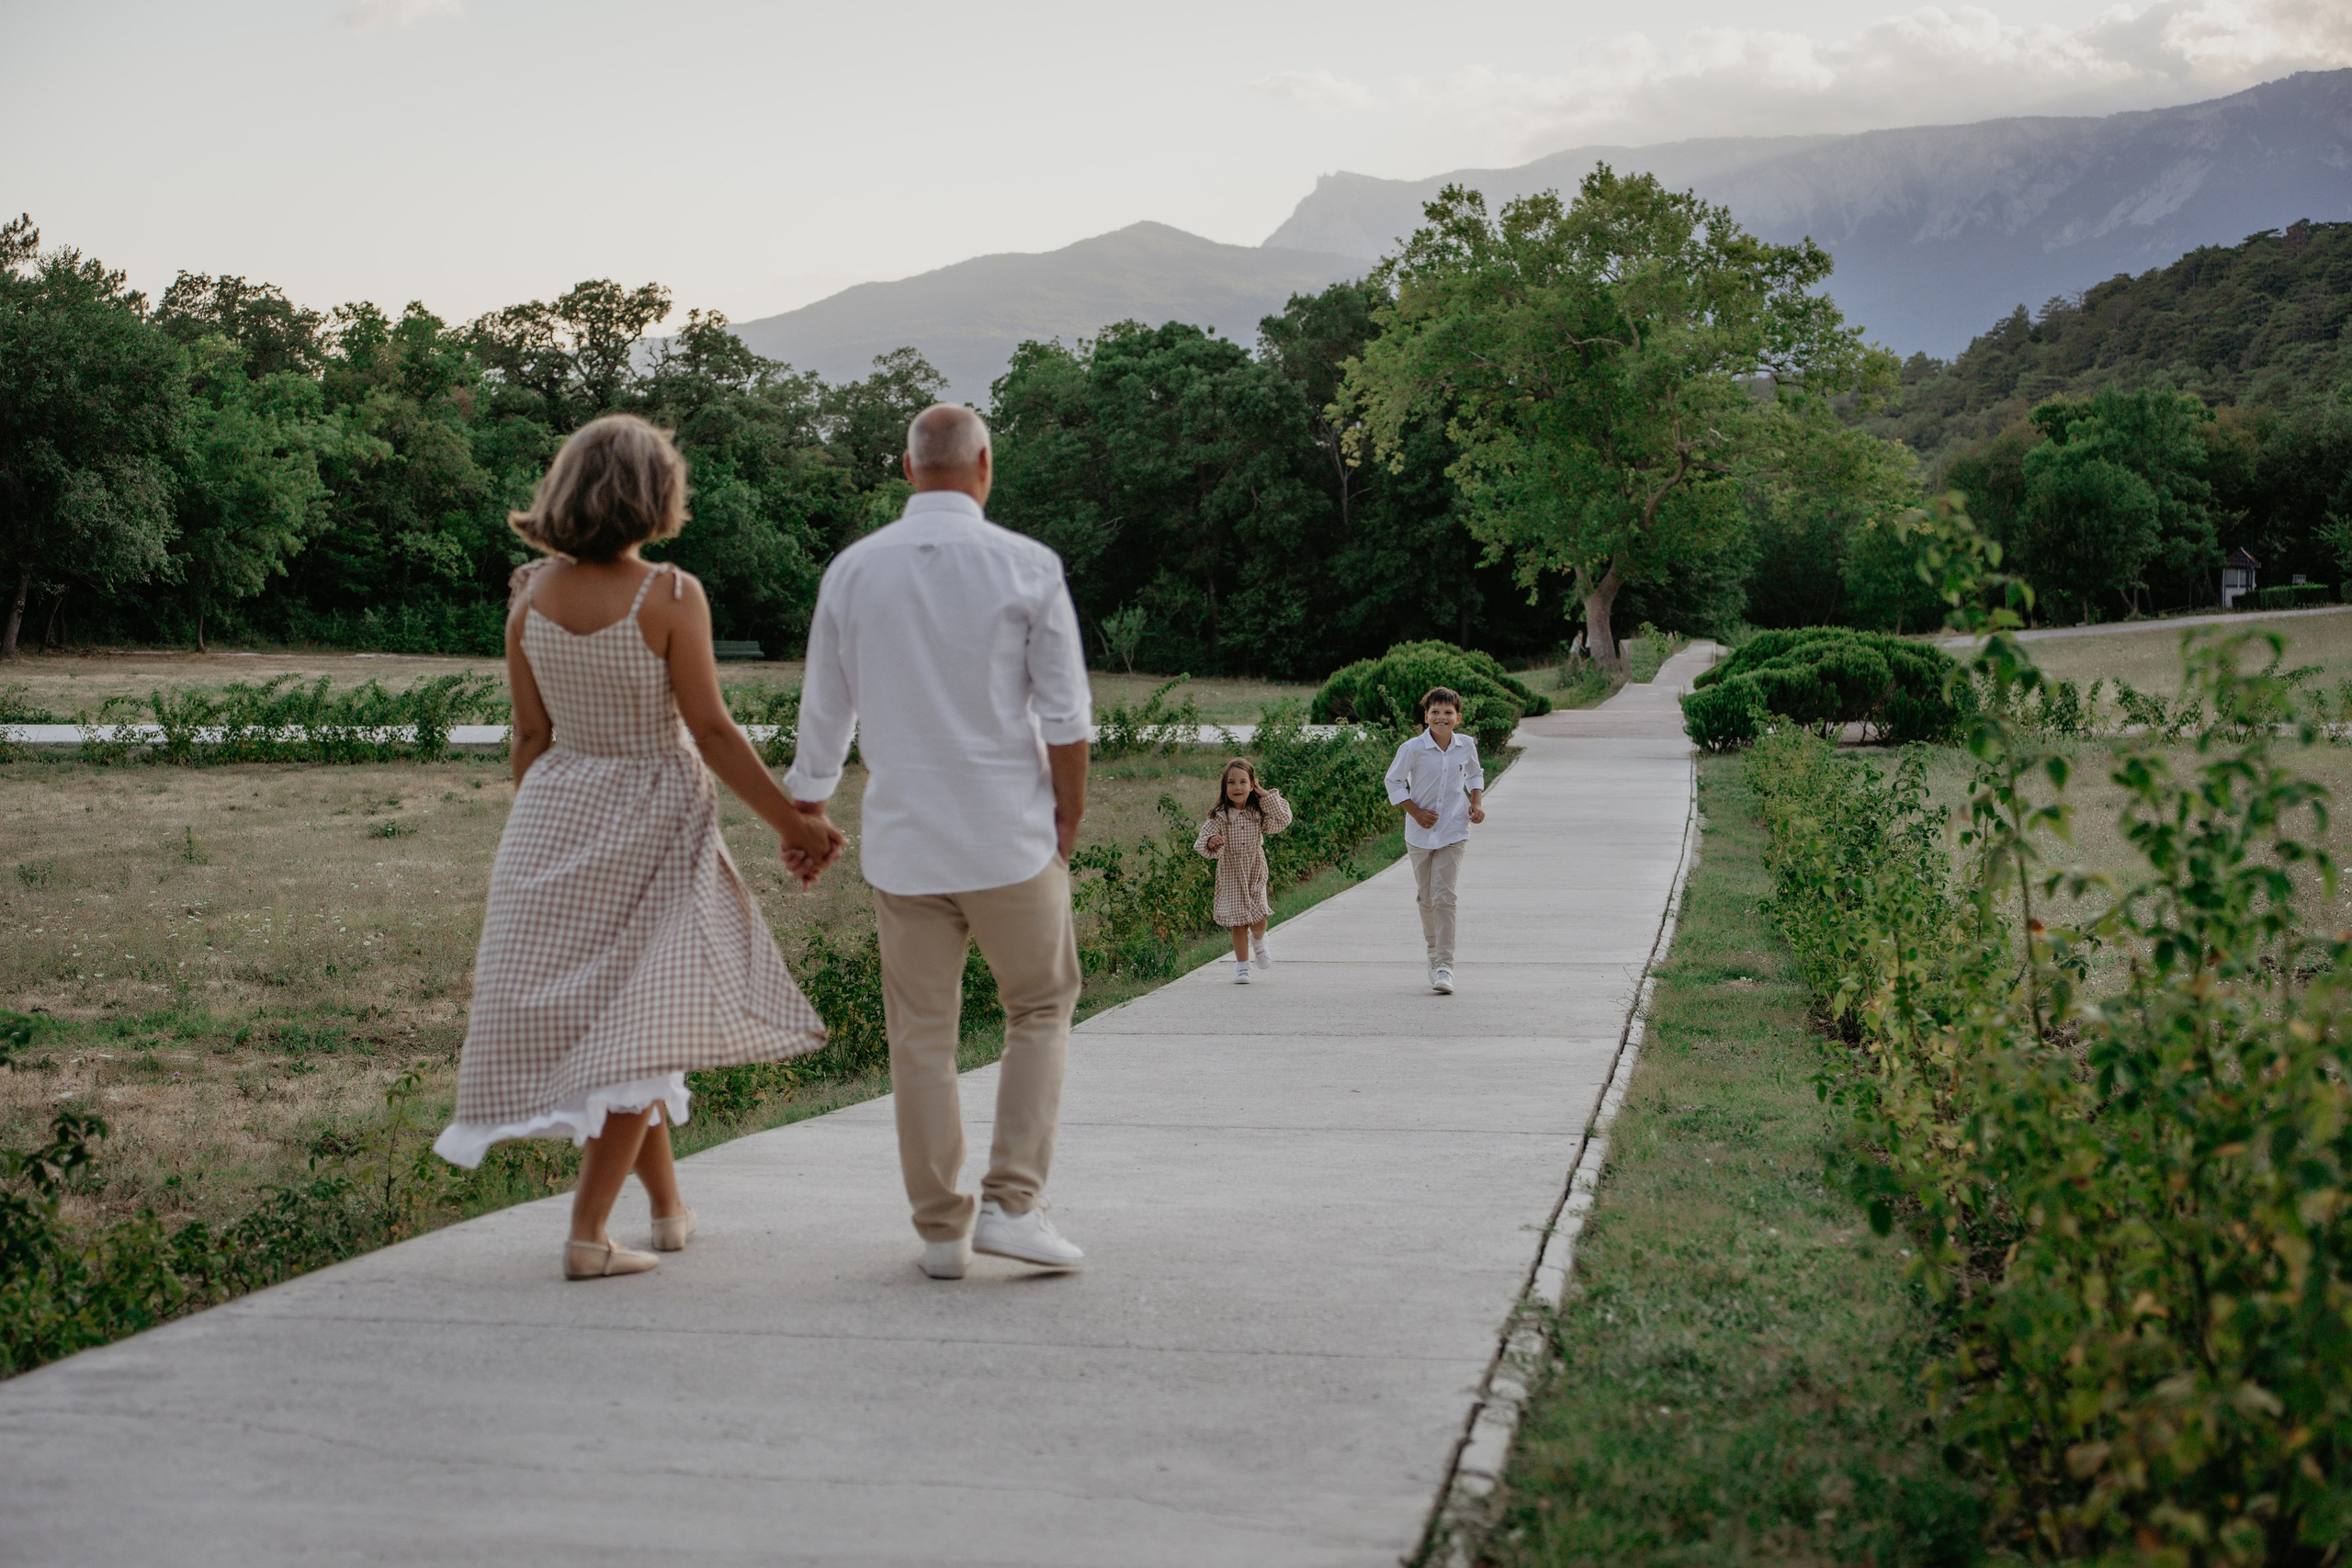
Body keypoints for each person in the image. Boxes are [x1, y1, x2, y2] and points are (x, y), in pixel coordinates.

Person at [432, 414, 845, 1281]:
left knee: (633, 1022)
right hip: (656, 820)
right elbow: (712, 730)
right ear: (654, 496)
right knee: (642, 1022)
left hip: (555, 817)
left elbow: (529, 734)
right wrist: (795, 824)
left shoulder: (528, 594)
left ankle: (666, 1209)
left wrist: (548, 829)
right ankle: (587, 1235)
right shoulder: (670, 596)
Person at [784, 403, 1091, 1280]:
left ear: (909, 469)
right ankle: (1013, 1203)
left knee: (921, 1034)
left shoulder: (854, 569)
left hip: (905, 844)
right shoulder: (1028, 566)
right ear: (985, 467)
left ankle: (940, 1230)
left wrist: (807, 815)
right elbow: (1067, 716)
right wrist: (1066, 819)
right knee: (1039, 1006)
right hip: (1009, 837)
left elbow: (824, 713)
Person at [1384, 686, 1486, 995]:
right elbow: (1393, 781)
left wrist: (1477, 803)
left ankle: (1445, 965)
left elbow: (1474, 774)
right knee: (1426, 898)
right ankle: (1432, 949)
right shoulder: (1412, 749)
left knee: (1445, 897)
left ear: (1458, 717)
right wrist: (1414, 812)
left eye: (1448, 712)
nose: (1441, 717)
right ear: (1425, 716)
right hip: (1419, 834)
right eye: (1435, 712)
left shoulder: (1465, 745)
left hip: (1454, 829)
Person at [1193, 758, 1293, 984]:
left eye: (1243, 782)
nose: (1237, 787)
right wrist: (1211, 842)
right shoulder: (1219, 817)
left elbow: (1284, 819)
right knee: (1238, 922)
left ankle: (1258, 940)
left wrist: (1264, 793)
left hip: (1255, 869)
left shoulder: (1258, 814)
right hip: (1231, 873)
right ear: (1224, 787)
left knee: (1259, 917)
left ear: (1251, 784)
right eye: (1231, 783)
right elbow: (1201, 842)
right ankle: (1241, 967)